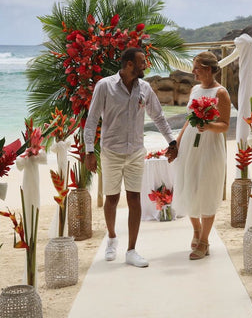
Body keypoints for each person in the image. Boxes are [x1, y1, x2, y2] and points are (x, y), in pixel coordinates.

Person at [84, 47, 178, 268]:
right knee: (112, 199)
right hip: (111, 152)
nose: (145, 65)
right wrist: (90, 152)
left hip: (136, 151)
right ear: (129, 64)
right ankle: (112, 238)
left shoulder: (144, 88)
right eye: (142, 61)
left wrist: (172, 142)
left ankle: (131, 250)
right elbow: (92, 119)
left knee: (135, 199)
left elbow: (159, 117)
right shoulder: (105, 86)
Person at [173, 51, 231, 260]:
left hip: (210, 145)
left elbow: (224, 126)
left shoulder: (221, 93)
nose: (193, 72)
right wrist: (177, 142)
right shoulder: (195, 89)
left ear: (207, 69)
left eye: (196, 68)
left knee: (206, 187)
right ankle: (196, 230)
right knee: (189, 184)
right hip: (190, 143)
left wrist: (207, 126)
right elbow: (189, 119)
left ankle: (205, 240)